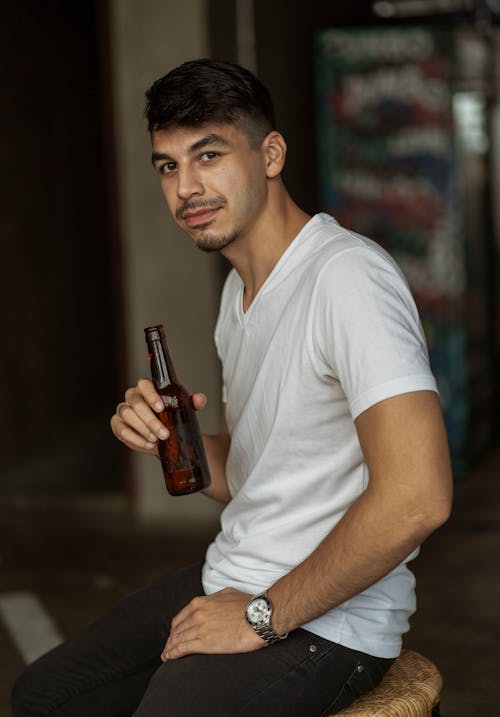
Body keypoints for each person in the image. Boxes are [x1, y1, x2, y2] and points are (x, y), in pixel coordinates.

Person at [12, 59, 453, 717]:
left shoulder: (346, 279)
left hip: (324, 626)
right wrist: (169, 437)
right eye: (168, 166)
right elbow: (258, 475)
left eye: (208, 155)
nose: (187, 186)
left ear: (270, 153)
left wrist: (261, 615)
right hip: (233, 575)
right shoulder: (238, 295)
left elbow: (418, 496)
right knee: (43, 695)